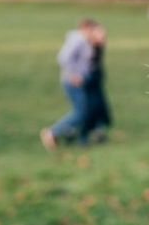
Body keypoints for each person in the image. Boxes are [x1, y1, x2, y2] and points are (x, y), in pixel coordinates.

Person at [41, 18, 97, 149]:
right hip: (72, 82)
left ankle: (73, 136)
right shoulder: (77, 40)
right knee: (81, 113)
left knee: (82, 111)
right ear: (87, 28)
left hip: (78, 81)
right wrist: (73, 75)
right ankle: (53, 132)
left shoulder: (82, 40)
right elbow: (63, 57)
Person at [79, 23, 113, 143]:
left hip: (96, 80)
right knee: (89, 108)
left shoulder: (98, 47)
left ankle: (99, 131)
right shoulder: (86, 46)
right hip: (88, 81)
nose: (103, 39)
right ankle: (83, 135)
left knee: (100, 108)